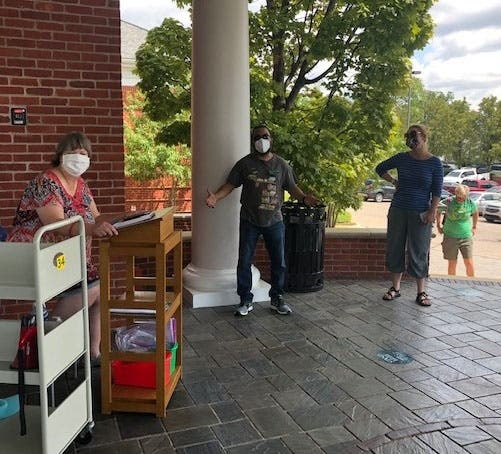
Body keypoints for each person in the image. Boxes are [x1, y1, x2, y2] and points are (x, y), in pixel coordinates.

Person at [7, 132, 118, 362]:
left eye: (84, 153)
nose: (79, 157)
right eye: (74, 153)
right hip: (38, 254)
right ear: (60, 155)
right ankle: (45, 338)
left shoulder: (82, 185)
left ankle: (93, 353)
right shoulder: (45, 182)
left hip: (69, 257)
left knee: (99, 290)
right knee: (92, 290)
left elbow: (96, 217)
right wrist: (90, 229)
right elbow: (54, 224)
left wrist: (125, 219)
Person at [206, 124, 318, 316]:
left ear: (271, 139)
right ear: (252, 141)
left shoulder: (282, 165)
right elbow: (230, 185)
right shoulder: (244, 164)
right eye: (257, 137)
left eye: (265, 136)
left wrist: (304, 199)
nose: (262, 140)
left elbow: (292, 187)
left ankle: (277, 298)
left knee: (279, 261)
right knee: (244, 262)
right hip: (249, 220)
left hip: (274, 221)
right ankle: (245, 300)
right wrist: (215, 196)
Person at [375, 124, 443, 306]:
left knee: (419, 250)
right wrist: (394, 181)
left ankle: (421, 292)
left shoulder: (434, 163)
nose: (411, 139)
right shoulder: (402, 158)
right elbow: (380, 168)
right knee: (395, 247)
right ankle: (395, 288)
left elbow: (437, 191)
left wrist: (432, 211)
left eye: (415, 135)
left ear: (424, 137)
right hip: (398, 210)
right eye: (408, 136)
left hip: (421, 212)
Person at [436, 184, 478, 277]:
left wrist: (474, 226)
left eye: (463, 198)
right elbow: (438, 210)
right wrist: (438, 225)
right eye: (459, 197)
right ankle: (452, 283)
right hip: (450, 236)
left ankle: (472, 283)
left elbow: (475, 213)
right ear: (456, 194)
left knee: (469, 262)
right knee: (452, 263)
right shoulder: (449, 202)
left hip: (466, 236)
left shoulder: (470, 202)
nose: (460, 199)